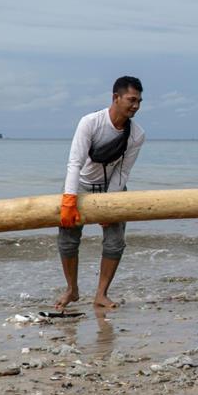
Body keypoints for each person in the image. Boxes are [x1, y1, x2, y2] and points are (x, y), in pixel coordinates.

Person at [56, 76, 145, 310]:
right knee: (67, 241)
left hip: (112, 189)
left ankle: (101, 294)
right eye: (131, 100)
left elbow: (123, 172)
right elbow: (74, 163)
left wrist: (109, 204)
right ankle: (71, 290)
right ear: (115, 97)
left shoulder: (137, 135)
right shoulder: (90, 123)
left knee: (115, 243)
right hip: (81, 185)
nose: (135, 106)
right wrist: (69, 200)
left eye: (139, 101)